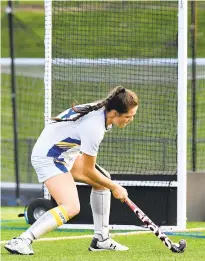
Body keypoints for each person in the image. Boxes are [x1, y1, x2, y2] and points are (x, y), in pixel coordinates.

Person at [5, 86, 139, 255]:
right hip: (49, 156)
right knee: (71, 207)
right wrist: (115, 187)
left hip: (64, 152)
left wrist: (109, 184)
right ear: (113, 113)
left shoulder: (104, 111)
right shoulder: (94, 127)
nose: (131, 119)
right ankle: (22, 241)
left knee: (102, 181)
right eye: (128, 116)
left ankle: (101, 240)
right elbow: (88, 171)